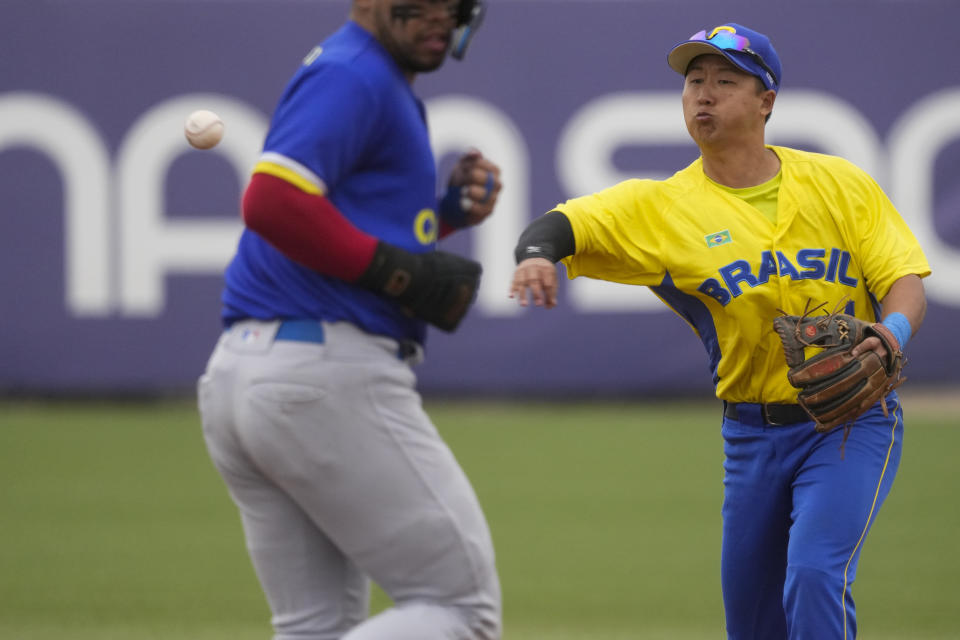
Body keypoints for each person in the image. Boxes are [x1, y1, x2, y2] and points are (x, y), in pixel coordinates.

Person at [509, 23, 930, 640]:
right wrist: (536, 255)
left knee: (814, 574)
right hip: (750, 437)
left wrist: (890, 336)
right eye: (694, 82)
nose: (703, 94)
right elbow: (566, 225)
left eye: (725, 81)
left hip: (850, 420)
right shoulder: (661, 207)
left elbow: (905, 279)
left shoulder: (840, 184)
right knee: (754, 625)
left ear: (766, 101)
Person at [197, 1, 502, 638]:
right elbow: (273, 201)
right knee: (460, 611)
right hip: (320, 375)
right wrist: (398, 272)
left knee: (316, 626)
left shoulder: (365, 75)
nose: (441, 14)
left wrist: (441, 217)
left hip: (249, 375)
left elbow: (350, 225)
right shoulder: (355, 73)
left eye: (455, 3)